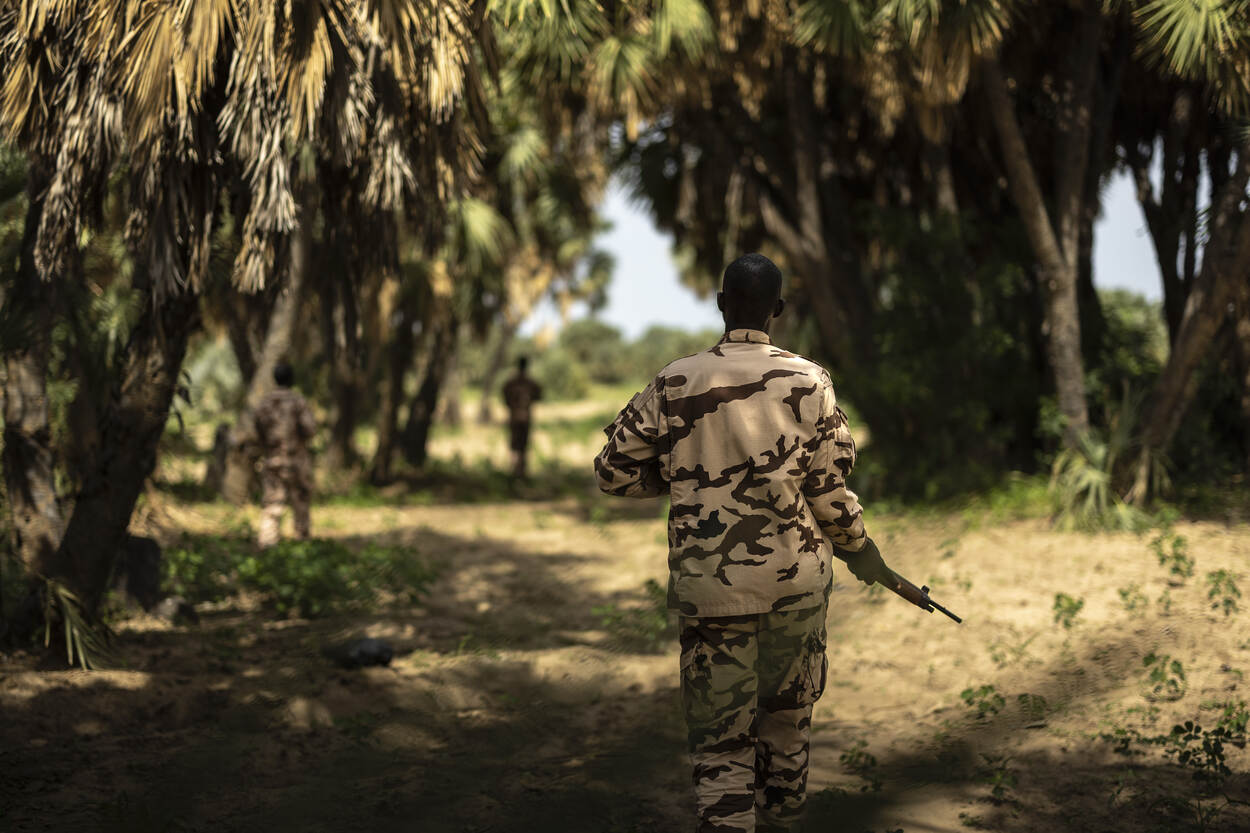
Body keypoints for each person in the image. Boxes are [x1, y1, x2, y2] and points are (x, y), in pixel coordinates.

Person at [593, 253, 891, 832]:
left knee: (720, 741)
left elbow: (613, 471)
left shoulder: (676, 380)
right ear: (777, 309)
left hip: (712, 593)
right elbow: (828, 492)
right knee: (787, 730)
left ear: (721, 303)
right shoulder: (811, 381)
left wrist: (683, 480)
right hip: (795, 588)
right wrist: (860, 548)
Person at [252, 362, 317, 548]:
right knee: (301, 502)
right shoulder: (298, 402)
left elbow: (257, 431)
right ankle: (302, 544)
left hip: (272, 460)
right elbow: (310, 429)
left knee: (272, 504)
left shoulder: (264, 403)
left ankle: (268, 543)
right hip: (297, 461)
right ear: (292, 379)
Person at [501, 356, 543, 478]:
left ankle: (515, 471)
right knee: (523, 446)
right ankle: (520, 472)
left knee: (515, 445)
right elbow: (539, 395)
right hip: (525, 418)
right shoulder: (530, 383)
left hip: (514, 418)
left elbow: (505, 396)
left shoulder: (511, 383)